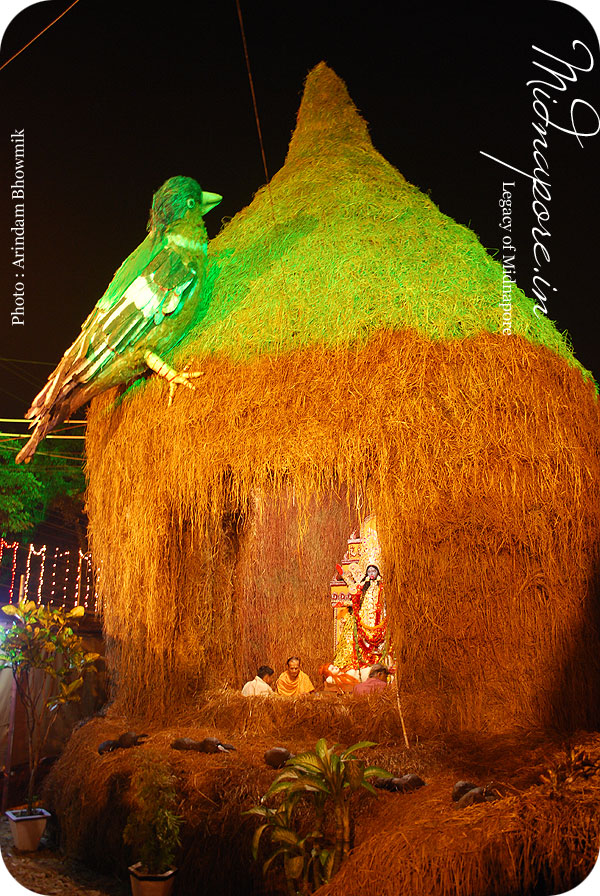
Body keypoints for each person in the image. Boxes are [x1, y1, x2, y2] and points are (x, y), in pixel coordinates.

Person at [333, 564, 387, 670]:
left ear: (378, 572)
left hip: (379, 620)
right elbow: (356, 602)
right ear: (366, 573)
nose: (371, 574)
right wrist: (344, 603)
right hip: (363, 619)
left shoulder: (383, 587)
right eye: (369, 571)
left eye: (374, 571)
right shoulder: (362, 587)